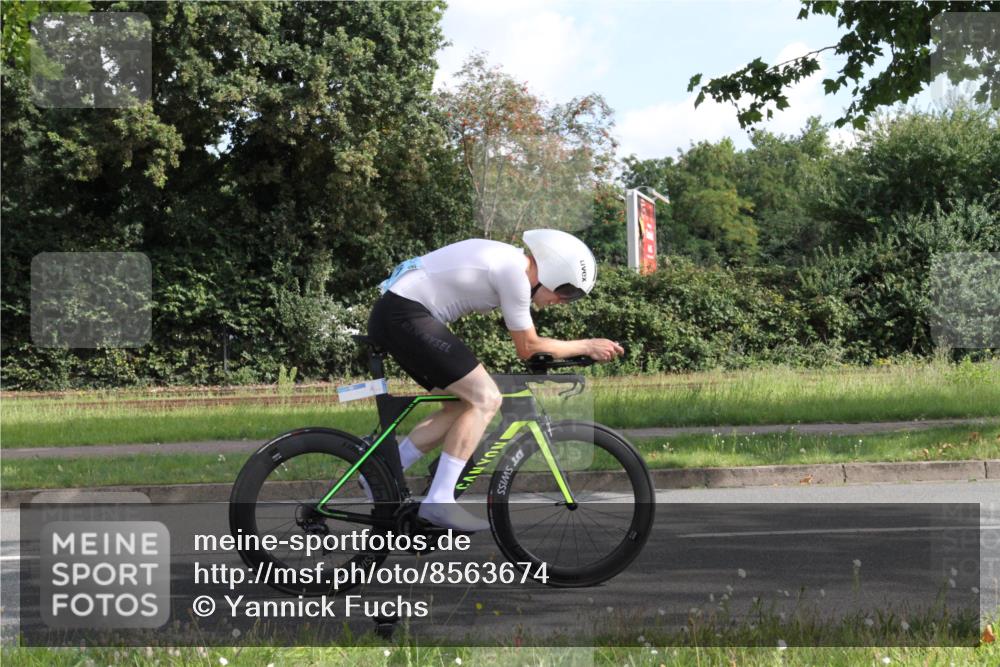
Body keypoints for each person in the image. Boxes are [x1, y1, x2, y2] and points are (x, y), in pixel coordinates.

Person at [367, 229, 624, 531]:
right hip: (405, 314)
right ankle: (439, 499)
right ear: (554, 271)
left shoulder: (510, 263)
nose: (562, 300)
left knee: (461, 405)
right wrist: (586, 346)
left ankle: (379, 470)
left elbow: (528, 344)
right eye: (566, 291)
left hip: (398, 313)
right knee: (486, 398)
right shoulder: (514, 273)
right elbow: (527, 347)